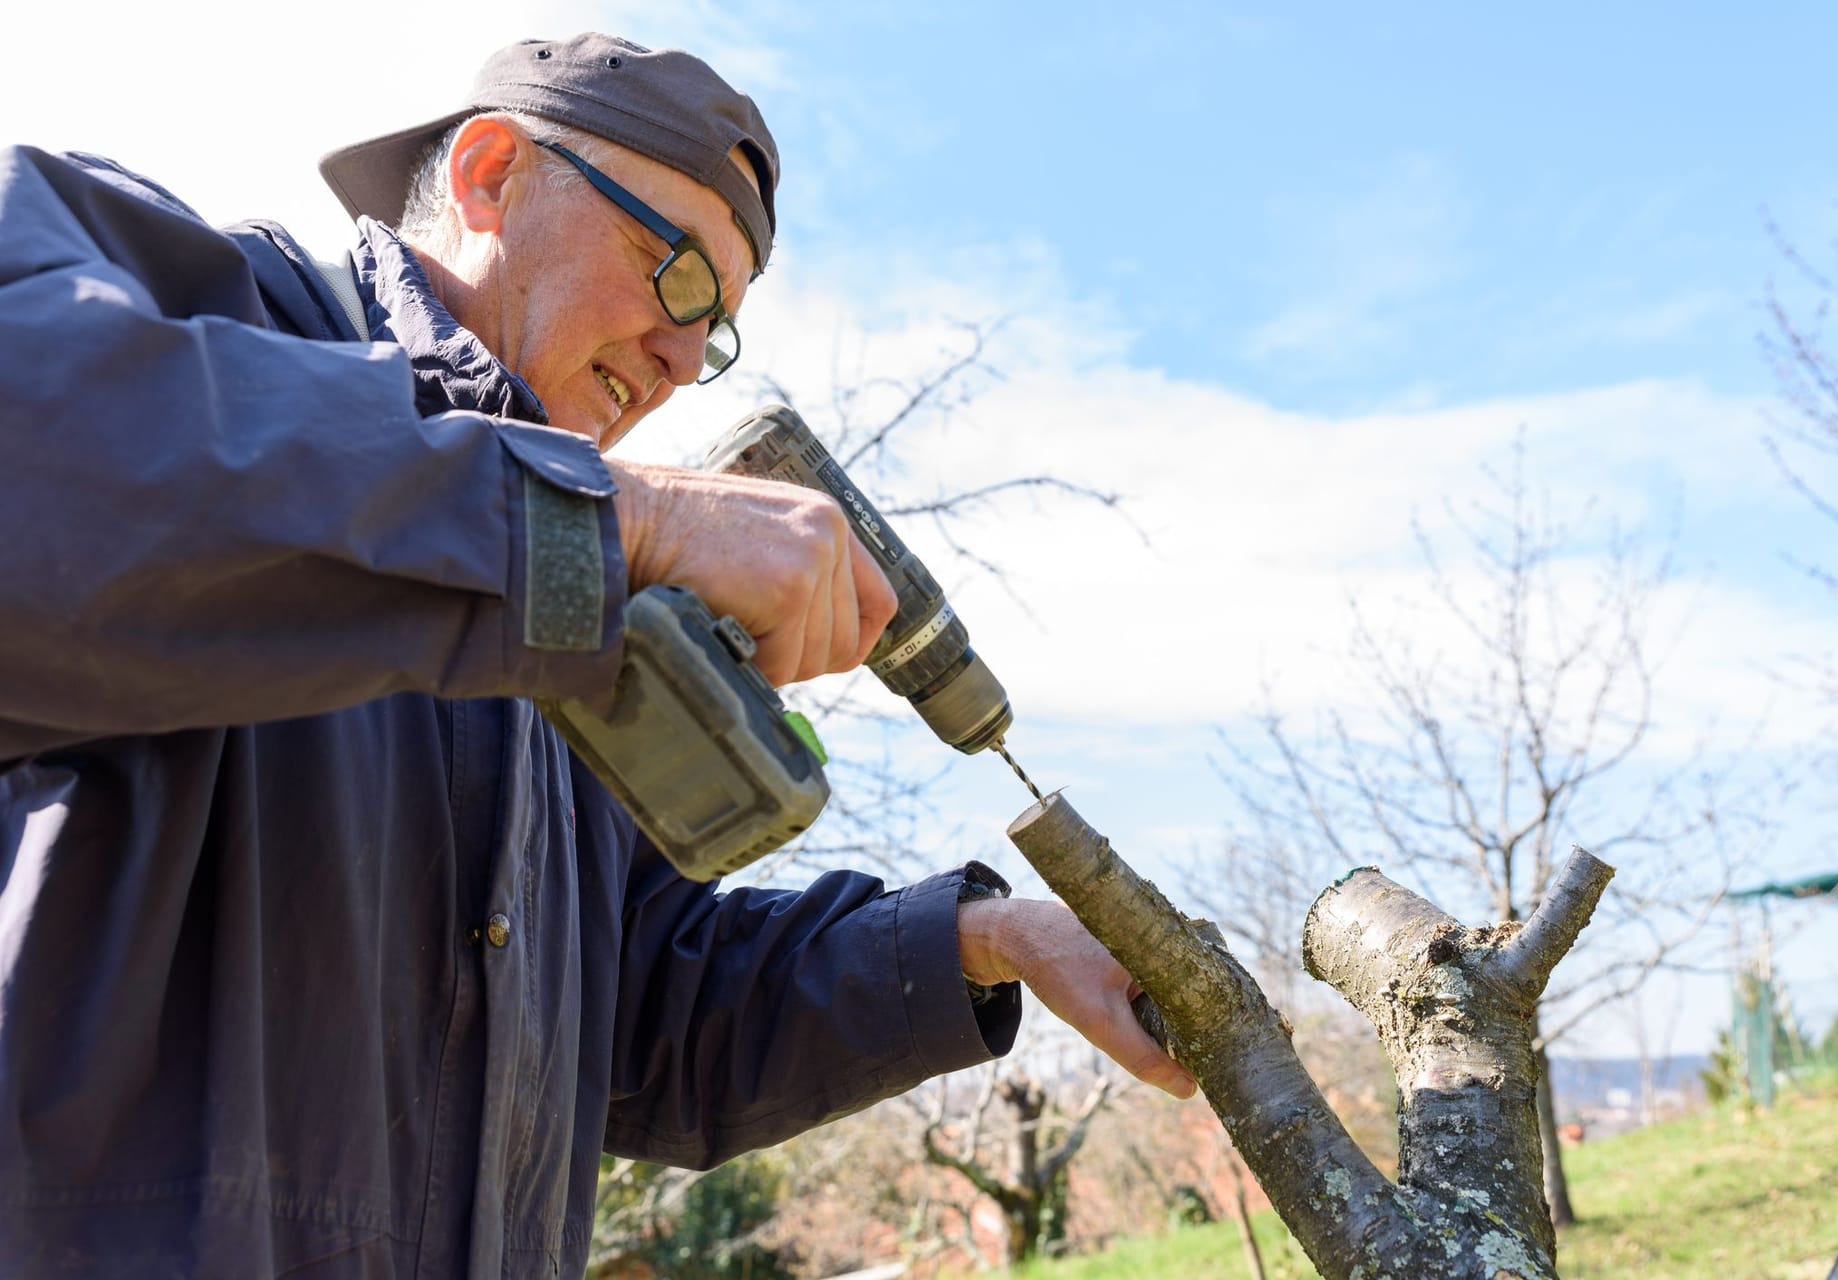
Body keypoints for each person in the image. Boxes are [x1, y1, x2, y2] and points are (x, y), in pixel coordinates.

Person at [0, 32, 1193, 1279]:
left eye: (717, 328)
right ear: (489, 173)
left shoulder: (567, 628)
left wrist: (988, 941)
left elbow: (637, 1022)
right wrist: (626, 517)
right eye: (673, 272)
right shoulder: (210, 308)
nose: (685, 358)